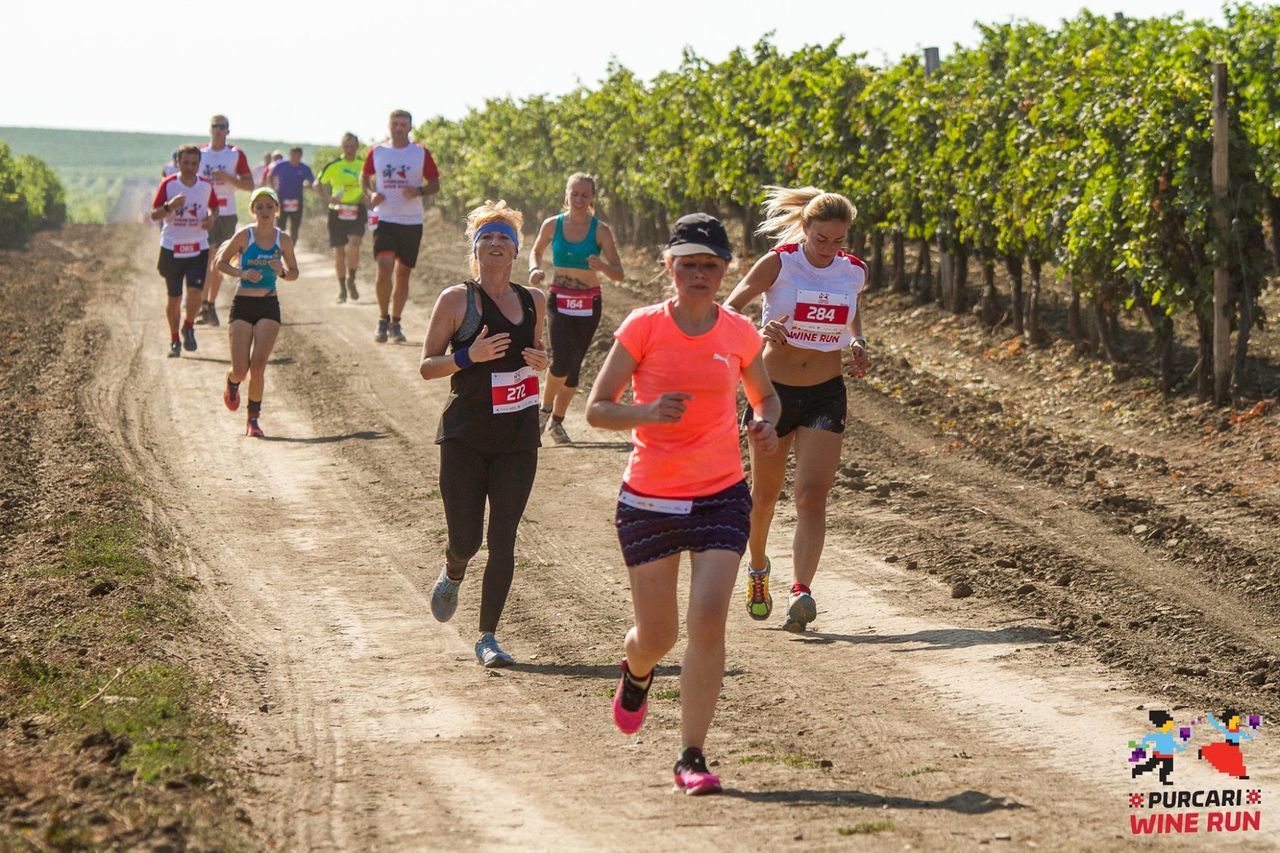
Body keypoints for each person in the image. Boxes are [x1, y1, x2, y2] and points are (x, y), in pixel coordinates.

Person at [586, 213, 779, 796]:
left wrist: (765, 422)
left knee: (708, 623)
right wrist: (645, 412)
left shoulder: (739, 333)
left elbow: (764, 394)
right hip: (649, 498)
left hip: (721, 494)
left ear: (725, 271)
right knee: (659, 634)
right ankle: (637, 669)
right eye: (688, 264)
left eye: (710, 265)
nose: (699, 274)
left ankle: (691, 755)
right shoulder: (643, 328)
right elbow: (597, 408)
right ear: (670, 268)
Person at [723, 186, 868, 633]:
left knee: (811, 495)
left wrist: (858, 340)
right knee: (764, 497)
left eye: (838, 241)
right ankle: (759, 569)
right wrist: (759, 328)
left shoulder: (854, 271)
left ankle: (801, 589)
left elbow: (852, 311)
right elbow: (730, 308)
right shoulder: (780, 262)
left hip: (827, 391)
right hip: (772, 393)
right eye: (822, 238)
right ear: (805, 228)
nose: (829, 249)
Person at [418, 201, 549, 667]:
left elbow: (540, 353)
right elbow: (427, 365)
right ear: (476, 250)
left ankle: (487, 636)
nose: (495, 244)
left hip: (518, 434)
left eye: (503, 238)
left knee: (504, 537)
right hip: (466, 435)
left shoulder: (533, 299)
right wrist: (469, 356)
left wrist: (541, 361)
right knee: (468, 538)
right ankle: (454, 568)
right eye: (486, 238)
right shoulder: (457, 300)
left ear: (516, 250)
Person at [528, 173, 624, 444]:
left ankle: (557, 422)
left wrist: (603, 266)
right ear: (566, 195)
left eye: (585, 195)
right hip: (559, 298)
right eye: (575, 194)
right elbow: (535, 251)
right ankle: (544, 411)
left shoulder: (600, 230)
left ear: (592, 198)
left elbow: (619, 273)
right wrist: (535, 268)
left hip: (588, 302)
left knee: (574, 366)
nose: (579, 200)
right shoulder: (552, 225)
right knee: (560, 359)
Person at [214, 187, 299, 437]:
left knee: (258, 367)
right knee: (241, 369)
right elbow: (219, 262)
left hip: (268, 305)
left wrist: (281, 271)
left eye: (269, 207)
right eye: (259, 207)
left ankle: (253, 420)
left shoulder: (283, 240)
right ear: (252, 210)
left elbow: (294, 272)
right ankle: (232, 383)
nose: (264, 211)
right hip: (242, 305)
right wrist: (241, 273)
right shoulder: (244, 235)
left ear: (276, 210)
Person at [362, 109, 440, 344]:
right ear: (389, 125)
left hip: (411, 220)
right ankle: (382, 318)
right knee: (384, 266)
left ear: (410, 127)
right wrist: (371, 193)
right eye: (395, 123)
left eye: (403, 124)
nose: (398, 127)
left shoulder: (419, 152)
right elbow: (365, 177)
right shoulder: (378, 151)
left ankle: (396, 322)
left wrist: (420, 191)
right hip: (384, 218)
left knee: (403, 274)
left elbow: (435, 183)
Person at [150, 144, 218, 357]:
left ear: (199, 164)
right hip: (172, 247)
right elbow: (154, 215)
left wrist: (211, 219)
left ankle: (188, 326)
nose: (190, 167)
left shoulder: (206, 185)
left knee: (196, 292)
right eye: (186, 163)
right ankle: (173, 340)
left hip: (198, 246)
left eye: (194, 164)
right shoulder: (168, 185)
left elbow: (214, 207)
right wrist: (170, 206)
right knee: (175, 298)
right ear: (178, 163)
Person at [196, 115, 255, 326]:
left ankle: (209, 304)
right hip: (203, 212)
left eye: (222, 127)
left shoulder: (235, 154)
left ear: (228, 131)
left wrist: (227, 179)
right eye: (215, 126)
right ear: (209, 129)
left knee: (218, 260)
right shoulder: (200, 153)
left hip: (226, 213)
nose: (219, 130)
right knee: (206, 259)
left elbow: (250, 185)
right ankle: (203, 306)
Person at [315, 132, 366, 303]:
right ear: (342, 147)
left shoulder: (363, 165)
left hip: (357, 209)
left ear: (357, 147)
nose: (350, 149)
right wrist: (328, 198)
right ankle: (342, 288)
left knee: (355, 242)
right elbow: (317, 184)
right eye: (346, 146)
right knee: (339, 251)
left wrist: (367, 196)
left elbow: (372, 183)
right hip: (337, 211)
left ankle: (352, 279)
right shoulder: (334, 165)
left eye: (352, 146)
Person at [270, 146, 314, 244]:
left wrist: (308, 185)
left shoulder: (304, 168)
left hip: (297, 201)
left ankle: (290, 250)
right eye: (293, 155)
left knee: (295, 227)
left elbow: (313, 183)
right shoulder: (281, 165)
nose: (294, 158)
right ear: (289, 155)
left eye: (297, 156)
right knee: (280, 227)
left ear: (301, 156)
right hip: (282, 200)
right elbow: (271, 176)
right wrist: (274, 189)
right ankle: (278, 248)